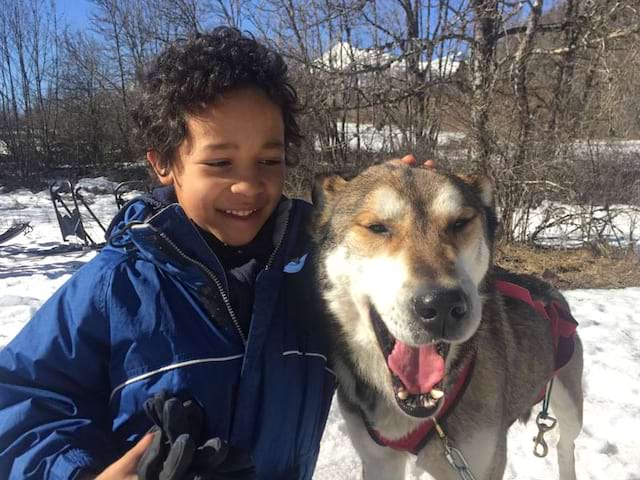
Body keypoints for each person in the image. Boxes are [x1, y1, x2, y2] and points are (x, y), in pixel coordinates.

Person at [0, 27, 336, 480]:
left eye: (269, 160)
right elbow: (22, 402)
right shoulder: (116, 285)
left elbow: (409, 342)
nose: (249, 185)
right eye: (219, 163)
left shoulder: (320, 273)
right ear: (164, 163)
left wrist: (420, 226)